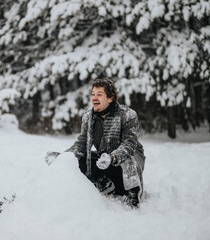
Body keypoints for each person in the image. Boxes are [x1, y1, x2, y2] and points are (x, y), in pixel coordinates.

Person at [45, 78, 145, 208]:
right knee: (79, 159)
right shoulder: (88, 117)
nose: (94, 98)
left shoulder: (128, 115)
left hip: (127, 161)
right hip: (103, 161)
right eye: (93, 94)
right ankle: (104, 183)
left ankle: (133, 193)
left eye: (99, 94)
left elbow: (129, 144)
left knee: (128, 161)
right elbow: (82, 143)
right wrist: (64, 158)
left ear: (110, 98)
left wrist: (112, 157)